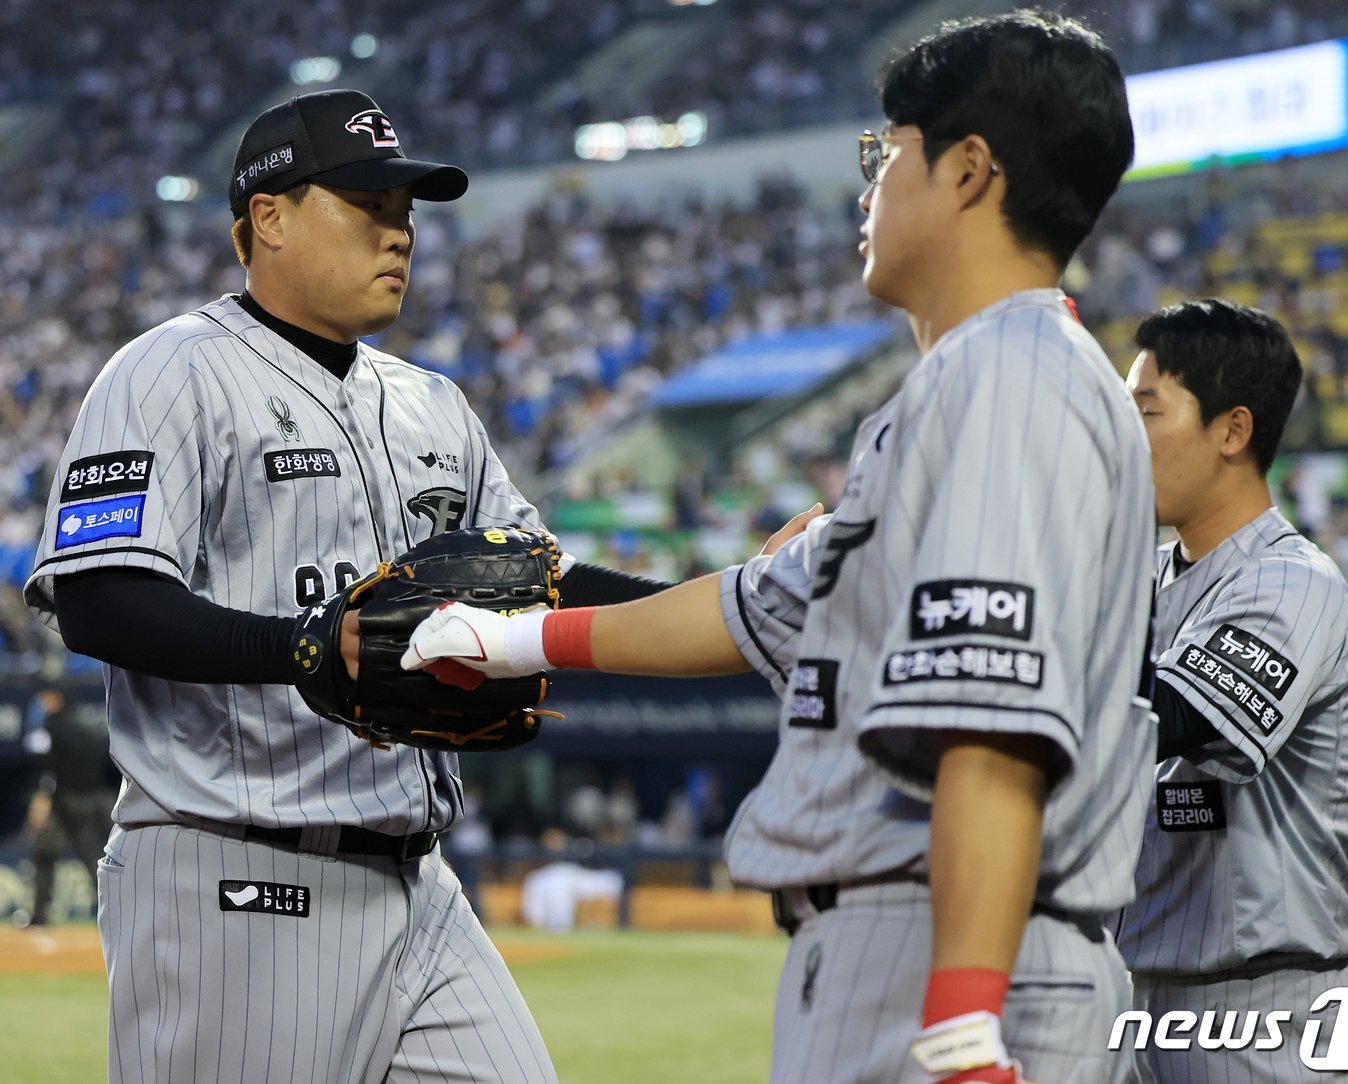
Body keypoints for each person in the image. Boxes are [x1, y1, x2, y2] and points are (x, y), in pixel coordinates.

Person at [402, 12, 1153, 1083]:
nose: (867, 187)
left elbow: (993, 727)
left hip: (944, 954)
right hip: (910, 938)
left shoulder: (1008, 377)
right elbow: (747, 606)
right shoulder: (969, 385)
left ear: (968, 171)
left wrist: (962, 1026)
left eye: (883, 154)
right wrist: (507, 638)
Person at [22, 88, 696, 1084]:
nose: (401, 230)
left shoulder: (431, 403)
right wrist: (296, 647)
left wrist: (724, 599)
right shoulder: (169, 371)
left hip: (417, 879)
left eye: (407, 208)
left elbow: (540, 582)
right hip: (234, 875)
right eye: (367, 202)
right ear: (270, 217)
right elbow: (100, 595)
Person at [1114, 298, 1348, 1083]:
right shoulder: (1148, 582)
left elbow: (1168, 718)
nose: (1122, 437)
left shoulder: (1293, 584)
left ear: (1232, 430)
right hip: (1139, 1001)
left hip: (1267, 1018)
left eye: (1146, 411)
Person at [20, 687, 118, 928]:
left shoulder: (51, 725)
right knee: (93, 856)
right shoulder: (87, 722)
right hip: (95, 797)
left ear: (57, 699)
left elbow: (47, 767)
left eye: (46, 698)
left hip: (63, 799)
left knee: (47, 854)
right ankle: (116, 911)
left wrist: (42, 797)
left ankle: (38, 917)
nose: (42, 704)